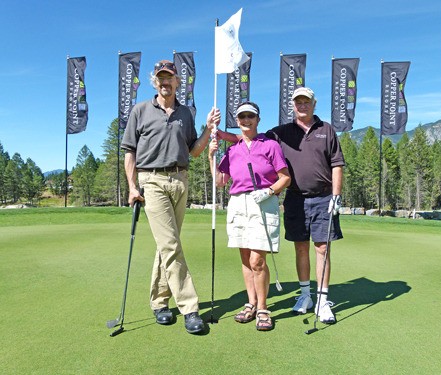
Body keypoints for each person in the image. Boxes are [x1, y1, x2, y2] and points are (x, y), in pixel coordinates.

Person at [217, 87, 344, 324]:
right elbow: (249, 138)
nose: (302, 105)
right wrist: (221, 136)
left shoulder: (326, 130)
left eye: (306, 101)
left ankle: (322, 300)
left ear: (314, 104)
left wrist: (337, 195)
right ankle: (305, 295)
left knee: (322, 249)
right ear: (293, 106)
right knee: (301, 248)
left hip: (323, 197)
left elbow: (337, 163)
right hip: (295, 198)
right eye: (298, 102)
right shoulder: (281, 132)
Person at [121, 59, 220, 334]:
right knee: (171, 245)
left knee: (166, 245)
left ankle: (159, 302)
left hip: (180, 180)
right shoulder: (140, 110)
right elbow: (129, 150)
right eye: (161, 78)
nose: (165, 82)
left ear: (177, 82)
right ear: (155, 82)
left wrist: (208, 129)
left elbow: (194, 150)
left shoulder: (186, 113)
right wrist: (132, 186)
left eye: (170, 78)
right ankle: (189, 307)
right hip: (151, 181)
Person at [208, 101, 290, 331]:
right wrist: (211, 158)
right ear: (237, 121)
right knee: (245, 258)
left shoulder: (270, 145)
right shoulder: (233, 149)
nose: (246, 120)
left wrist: (269, 191)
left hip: (263, 201)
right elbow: (221, 182)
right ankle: (251, 303)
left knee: (257, 260)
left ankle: (263, 308)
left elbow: (285, 177)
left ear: (258, 120)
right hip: (238, 203)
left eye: (250, 117)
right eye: (242, 117)